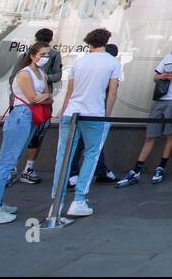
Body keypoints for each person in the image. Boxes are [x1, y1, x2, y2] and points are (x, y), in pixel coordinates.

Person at [49, 28, 121, 218]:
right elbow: (112, 92)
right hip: (94, 114)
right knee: (91, 155)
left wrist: (63, 113)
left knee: (63, 157)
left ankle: (56, 201)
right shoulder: (112, 62)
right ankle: (79, 200)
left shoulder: (79, 62)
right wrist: (107, 115)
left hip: (71, 112)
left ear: (89, 42)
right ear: (106, 41)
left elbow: (69, 92)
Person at [0, 42, 52, 224]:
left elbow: (47, 97)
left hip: (30, 117)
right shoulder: (24, 74)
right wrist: (44, 97)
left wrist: (44, 97)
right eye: (43, 54)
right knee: (6, 162)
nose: (45, 57)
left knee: (13, 159)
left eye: (47, 54)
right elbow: (34, 98)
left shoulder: (41, 74)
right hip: (21, 116)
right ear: (32, 55)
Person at [116, 36, 172, 187]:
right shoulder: (168, 57)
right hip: (161, 97)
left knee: (170, 133)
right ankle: (137, 168)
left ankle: (161, 166)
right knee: (151, 134)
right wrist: (163, 76)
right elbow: (156, 76)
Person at [17, 29, 61, 184]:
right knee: (25, 138)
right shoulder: (27, 59)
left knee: (35, 137)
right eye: (42, 55)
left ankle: (26, 169)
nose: (44, 58)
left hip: (39, 106)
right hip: (24, 106)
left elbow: (55, 79)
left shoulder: (52, 57)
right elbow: (15, 79)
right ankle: (17, 169)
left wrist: (44, 88)